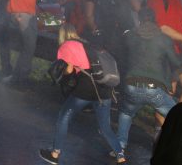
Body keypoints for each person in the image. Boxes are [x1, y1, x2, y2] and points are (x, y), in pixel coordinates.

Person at [40, 24, 126, 164]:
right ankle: (120, 156)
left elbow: (68, 70)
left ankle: (54, 154)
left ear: (62, 34)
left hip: (86, 87)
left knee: (64, 117)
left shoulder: (66, 46)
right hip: (103, 87)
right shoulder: (87, 43)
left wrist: (61, 74)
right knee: (105, 127)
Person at [116, 7, 182, 153]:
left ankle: (119, 147)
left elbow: (121, 57)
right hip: (155, 89)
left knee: (126, 113)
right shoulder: (164, 39)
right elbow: (176, 63)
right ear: (155, 20)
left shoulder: (130, 36)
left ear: (139, 19)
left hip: (131, 85)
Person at [85, 0, 140, 73]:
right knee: (124, 64)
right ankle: (123, 87)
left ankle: (110, 88)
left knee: (106, 64)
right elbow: (136, 7)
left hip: (103, 30)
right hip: (124, 30)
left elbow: (88, 13)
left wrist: (94, 28)